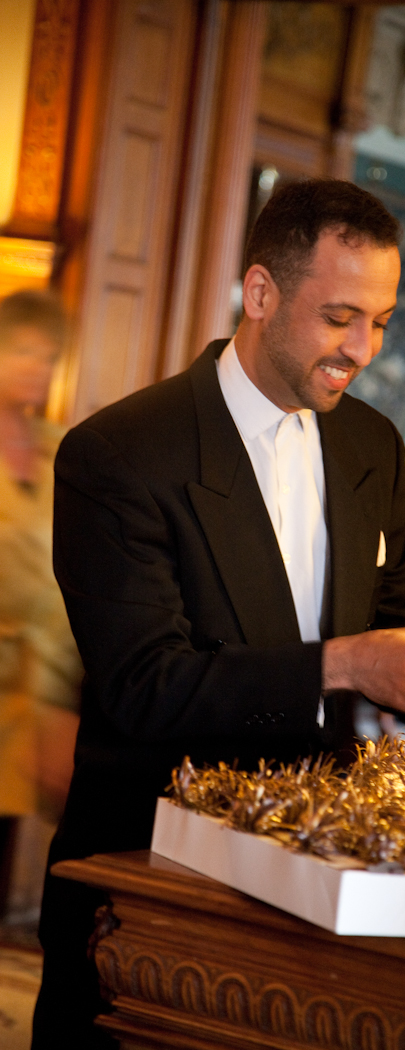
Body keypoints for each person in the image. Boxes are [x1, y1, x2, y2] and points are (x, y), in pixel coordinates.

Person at [32, 180, 405, 1047]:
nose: (365, 348)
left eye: (382, 321)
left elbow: (395, 623)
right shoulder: (119, 454)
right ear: (259, 294)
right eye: (340, 317)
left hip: (314, 895)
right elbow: (142, 687)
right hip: (146, 884)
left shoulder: (371, 444)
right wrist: (348, 664)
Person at [0, 290, 82, 913]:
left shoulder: (62, 450)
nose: (37, 366)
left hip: (41, 686)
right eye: (23, 350)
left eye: (48, 356)